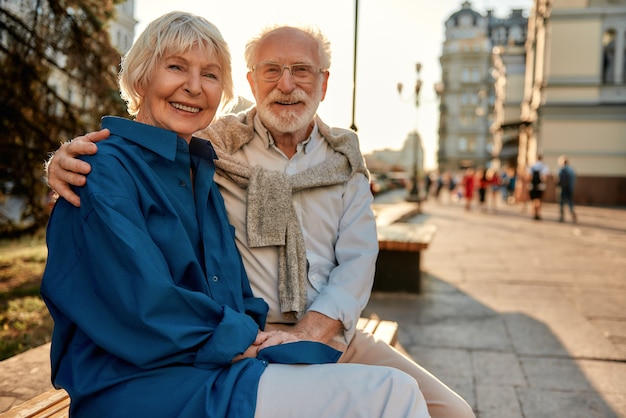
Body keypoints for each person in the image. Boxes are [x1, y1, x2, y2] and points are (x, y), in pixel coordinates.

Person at [46, 22, 475, 418]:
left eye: (302, 70)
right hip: (234, 340)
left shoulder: (343, 160)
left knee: (452, 413)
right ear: (251, 83)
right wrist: (63, 161)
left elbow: (358, 264)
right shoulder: (215, 148)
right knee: (388, 396)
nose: (286, 84)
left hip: (319, 332)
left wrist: (311, 331)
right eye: (271, 70)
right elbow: (138, 143)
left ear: (324, 83)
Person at [527, 154, 550, 220]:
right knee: (539, 200)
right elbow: (545, 178)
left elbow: (529, 177)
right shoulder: (544, 167)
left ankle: (534, 213)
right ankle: (538, 213)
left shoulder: (532, 166)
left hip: (532, 186)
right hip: (541, 186)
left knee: (533, 200)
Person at [557, 154, 577, 223]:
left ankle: (561, 217)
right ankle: (573, 216)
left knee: (561, 202)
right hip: (569, 188)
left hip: (562, 188)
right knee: (570, 202)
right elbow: (574, 180)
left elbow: (557, 179)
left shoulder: (560, 169)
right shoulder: (571, 169)